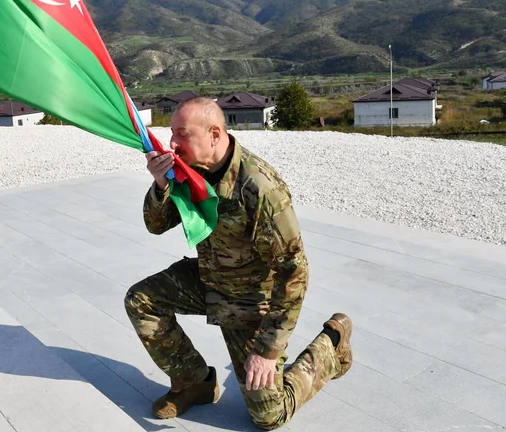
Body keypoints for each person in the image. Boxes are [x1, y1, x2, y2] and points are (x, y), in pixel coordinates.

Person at [125, 97, 352, 431]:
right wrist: (161, 184)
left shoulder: (259, 187)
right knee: (141, 300)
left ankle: (332, 345)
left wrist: (269, 350)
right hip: (208, 279)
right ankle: (194, 382)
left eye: (182, 134)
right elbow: (157, 224)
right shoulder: (187, 168)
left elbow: (294, 270)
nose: (172, 143)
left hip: (250, 300)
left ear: (214, 134)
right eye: (172, 133)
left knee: (268, 416)